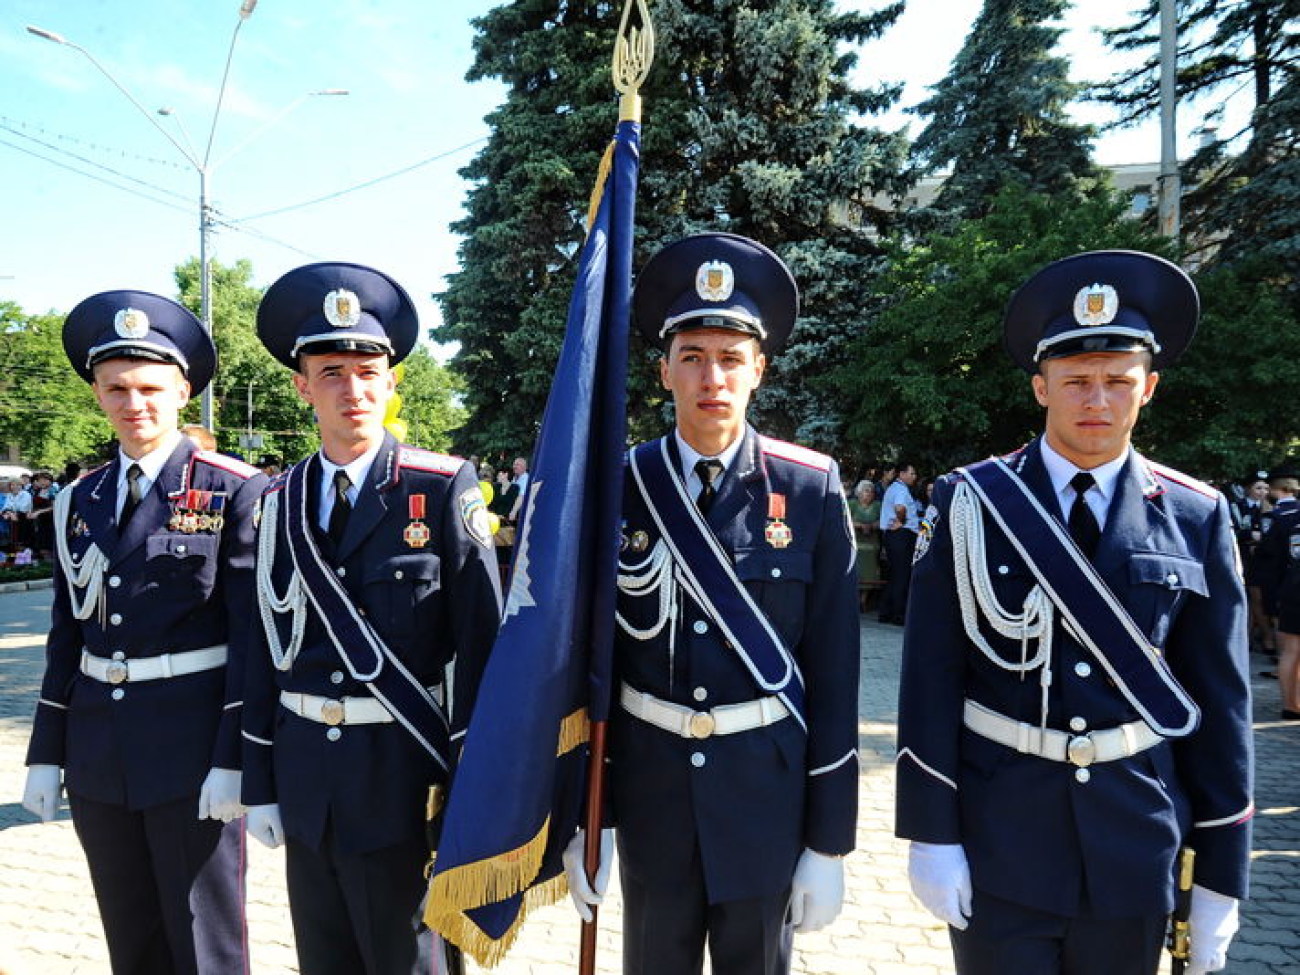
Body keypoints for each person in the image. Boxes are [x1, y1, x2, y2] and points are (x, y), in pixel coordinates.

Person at [896, 251, 1253, 975]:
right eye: (1076, 381)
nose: (1097, 399)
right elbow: (930, 678)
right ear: (1040, 386)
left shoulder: (1195, 515)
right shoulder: (969, 503)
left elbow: (1223, 708)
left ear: (1147, 388)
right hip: (1001, 836)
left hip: (1135, 840)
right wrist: (930, 832)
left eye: (1117, 381)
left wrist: (1221, 873)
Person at [563, 233, 859, 975]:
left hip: (766, 791)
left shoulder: (812, 488)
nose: (712, 377)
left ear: (758, 370)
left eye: (730, 358)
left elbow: (835, 671)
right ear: (664, 370)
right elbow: (578, 659)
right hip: (650, 791)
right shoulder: (618, 484)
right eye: (692, 356)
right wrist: (582, 815)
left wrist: (829, 840)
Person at [242, 262, 503, 975]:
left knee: (410, 962)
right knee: (323, 960)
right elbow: (262, 645)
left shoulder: (442, 486)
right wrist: (257, 776)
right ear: (302, 387)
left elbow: (484, 646)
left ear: (392, 382)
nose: (352, 389)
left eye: (367, 371)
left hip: (404, 780)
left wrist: (472, 788)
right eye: (331, 372)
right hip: (305, 780)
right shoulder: (276, 499)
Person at [21, 290, 264, 973]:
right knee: (131, 939)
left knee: (204, 945)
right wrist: (48, 749)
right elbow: (67, 633)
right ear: (98, 394)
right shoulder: (80, 498)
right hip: (100, 750)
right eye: (117, 388)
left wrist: (236, 756)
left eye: (151, 387)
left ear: (183, 390)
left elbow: (251, 638)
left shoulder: (234, 490)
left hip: (192, 751)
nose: (135, 404)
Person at [877, 460, 919, 624]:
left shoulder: (894, 488)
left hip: (895, 535)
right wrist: (901, 521)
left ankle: (886, 612)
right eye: (912, 473)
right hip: (901, 534)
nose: (914, 477)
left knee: (895, 575)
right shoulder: (901, 489)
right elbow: (900, 508)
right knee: (902, 575)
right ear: (902, 474)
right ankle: (898, 615)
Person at [849, 479, 882, 588]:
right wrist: (861, 525)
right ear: (859, 492)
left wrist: (872, 525)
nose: (870, 493)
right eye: (866, 491)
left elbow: (885, 521)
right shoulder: (852, 504)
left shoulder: (878, 505)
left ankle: (865, 601)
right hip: (855, 547)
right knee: (855, 575)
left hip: (872, 547)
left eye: (872, 491)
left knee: (871, 576)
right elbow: (844, 521)